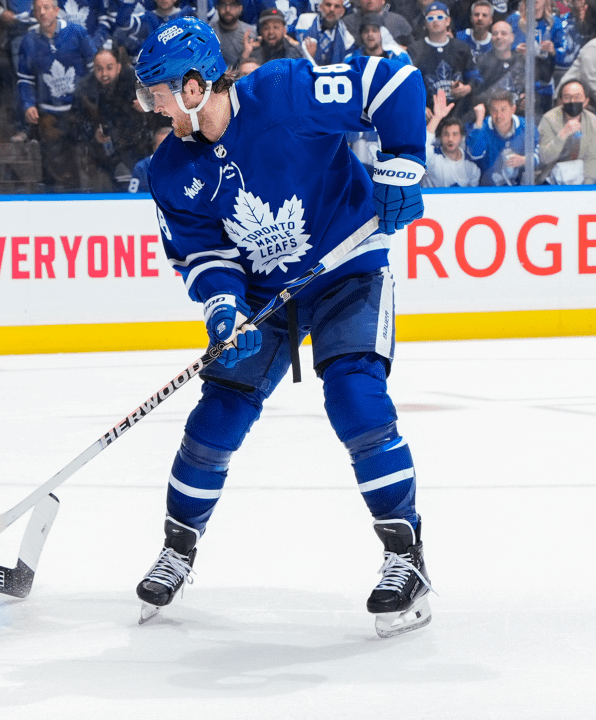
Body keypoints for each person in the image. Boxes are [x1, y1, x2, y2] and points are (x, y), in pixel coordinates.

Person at [130, 17, 433, 638]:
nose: (150, 105)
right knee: (218, 413)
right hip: (266, 298)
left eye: (157, 92)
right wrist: (223, 308)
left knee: (355, 394)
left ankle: (406, 556)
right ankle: (179, 547)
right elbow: (202, 253)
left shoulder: (284, 92)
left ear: (193, 87)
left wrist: (404, 159)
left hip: (347, 268)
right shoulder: (168, 169)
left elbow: (392, 80)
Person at [15, 0, 97, 188]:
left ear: (57, 10)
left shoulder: (77, 32)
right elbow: (25, 78)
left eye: (46, 8)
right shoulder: (29, 41)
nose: (42, 12)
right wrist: (28, 104)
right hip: (49, 113)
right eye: (38, 9)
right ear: (34, 14)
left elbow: (94, 69)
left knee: (84, 162)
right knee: (54, 168)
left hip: (78, 109)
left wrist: (92, 103)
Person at [73, 48, 151, 191]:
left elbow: (162, 103)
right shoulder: (85, 88)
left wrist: (148, 104)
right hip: (104, 150)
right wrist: (93, 134)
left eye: (109, 68)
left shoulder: (137, 81)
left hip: (137, 143)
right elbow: (77, 122)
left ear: (119, 67)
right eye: (99, 69)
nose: (104, 74)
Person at [408, 2, 479, 119]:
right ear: (425, 23)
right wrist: (419, 106)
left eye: (440, 17)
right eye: (430, 18)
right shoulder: (415, 49)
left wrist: (467, 88)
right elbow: (408, 85)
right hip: (427, 116)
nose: (435, 21)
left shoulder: (461, 48)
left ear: (448, 21)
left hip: (458, 116)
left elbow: (475, 76)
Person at [467, 89, 540, 184]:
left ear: (513, 109)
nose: (498, 116)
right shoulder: (481, 127)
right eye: (494, 110)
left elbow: (538, 157)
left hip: (519, 189)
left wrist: (524, 160)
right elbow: (475, 154)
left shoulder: (527, 127)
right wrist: (479, 122)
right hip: (488, 190)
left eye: (503, 109)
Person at [536, 78, 596, 183]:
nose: (572, 101)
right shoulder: (548, 119)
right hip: (551, 179)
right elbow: (545, 158)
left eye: (577, 97)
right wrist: (563, 134)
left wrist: (588, 186)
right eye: (567, 97)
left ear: (586, 101)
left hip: (581, 179)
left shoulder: (593, 121)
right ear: (561, 101)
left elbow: (591, 158)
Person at [423, 93, 482, 186]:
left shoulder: (471, 166)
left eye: (455, 134)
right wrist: (437, 117)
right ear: (440, 137)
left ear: (461, 137)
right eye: (446, 134)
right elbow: (422, 147)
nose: (450, 139)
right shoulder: (432, 157)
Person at [295, 0, 357, 65]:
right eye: (328, 5)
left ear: (342, 12)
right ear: (320, 7)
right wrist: (307, 55)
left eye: (337, 6)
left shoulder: (347, 39)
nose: (332, 9)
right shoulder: (305, 21)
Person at [345, 0, 415, 49]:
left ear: (383, 1)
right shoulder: (346, 23)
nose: (370, 0)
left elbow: (413, 48)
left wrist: (400, 50)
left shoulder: (398, 21)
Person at [127, 124, 172, 193]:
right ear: (154, 147)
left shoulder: (185, 166)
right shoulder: (142, 167)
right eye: (161, 145)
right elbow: (133, 197)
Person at [212, 0, 256, 68]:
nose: (227, 10)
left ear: (240, 8)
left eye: (233, 5)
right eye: (223, 5)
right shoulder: (209, 33)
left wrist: (245, 55)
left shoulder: (250, 32)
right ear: (217, 8)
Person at [346, 21, 412, 63]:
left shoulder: (399, 57)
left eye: (374, 30)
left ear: (383, 33)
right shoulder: (350, 60)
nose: (370, 34)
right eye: (365, 31)